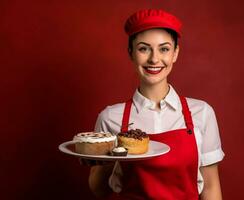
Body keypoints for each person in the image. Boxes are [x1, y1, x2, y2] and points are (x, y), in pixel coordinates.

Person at [87, 9, 225, 200]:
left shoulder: (201, 113)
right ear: (131, 53)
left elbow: (210, 188)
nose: (154, 59)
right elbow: (99, 190)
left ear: (175, 53)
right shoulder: (110, 118)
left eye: (164, 49)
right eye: (144, 48)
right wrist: (110, 156)